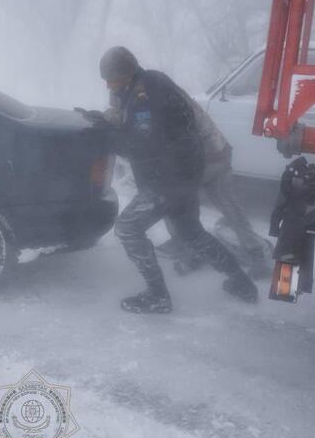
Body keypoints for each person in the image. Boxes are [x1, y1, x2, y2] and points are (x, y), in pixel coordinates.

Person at [99, 46, 258, 313]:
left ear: (125, 74)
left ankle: (157, 296)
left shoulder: (143, 97)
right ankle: (242, 282)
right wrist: (107, 122)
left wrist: (107, 137)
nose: (108, 86)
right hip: (183, 173)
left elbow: (140, 144)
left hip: (168, 178)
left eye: (111, 80)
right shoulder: (150, 81)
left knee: (128, 229)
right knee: (190, 231)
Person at [151, 88, 273, 279]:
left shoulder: (158, 101)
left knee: (172, 197)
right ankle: (255, 251)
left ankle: (185, 247)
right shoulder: (172, 93)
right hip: (219, 151)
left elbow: (173, 139)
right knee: (228, 203)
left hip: (202, 158)